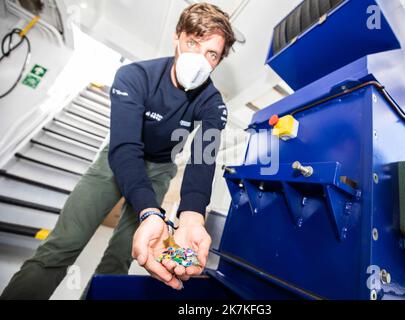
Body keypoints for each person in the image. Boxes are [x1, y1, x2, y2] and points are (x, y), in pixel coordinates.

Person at [1, 2, 236, 299]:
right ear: (177, 37)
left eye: (211, 54)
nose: (199, 59)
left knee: (122, 256)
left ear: (218, 62)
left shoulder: (213, 103)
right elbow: (125, 147)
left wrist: (192, 216)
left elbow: (204, 156)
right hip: (115, 162)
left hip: (161, 169)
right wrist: (149, 210)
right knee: (62, 245)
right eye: (193, 43)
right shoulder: (134, 76)